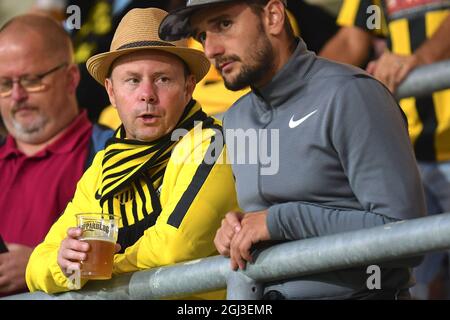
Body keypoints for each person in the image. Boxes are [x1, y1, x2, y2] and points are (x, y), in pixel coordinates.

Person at [159, 0, 427, 299]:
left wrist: (279, 221)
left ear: (273, 16)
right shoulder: (236, 117)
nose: (211, 50)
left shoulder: (352, 94)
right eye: (202, 36)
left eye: (224, 25)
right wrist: (237, 229)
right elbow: (268, 221)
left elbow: (405, 236)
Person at [25, 8, 238, 296]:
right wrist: (64, 264)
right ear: (111, 93)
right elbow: (36, 266)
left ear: (188, 88)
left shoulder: (211, 145)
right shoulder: (103, 165)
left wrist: (99, 268)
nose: (147, 93)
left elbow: (173, 248)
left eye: (163, 79)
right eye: (133, 80)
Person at [320, 0, 450, 299]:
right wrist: (309, 87)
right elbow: (353, 39)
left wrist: (419, 59)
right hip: (409, 152)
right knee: (411, 281)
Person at [0, 14, 112, 297]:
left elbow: (131, 262)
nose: (16, 96)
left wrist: (39, 266)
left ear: (71, 78)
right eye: (4, 84)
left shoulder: (112, 154)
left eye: (32, 80)